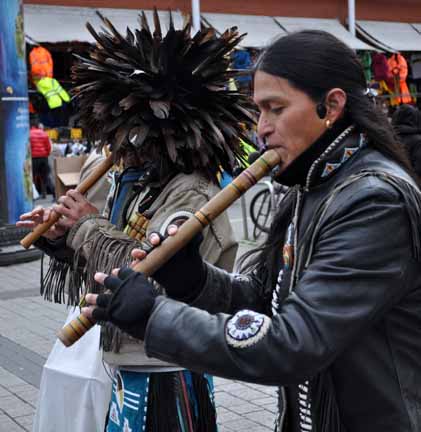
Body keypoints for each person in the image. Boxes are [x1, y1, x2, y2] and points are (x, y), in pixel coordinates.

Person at [82, 30, 421, 432]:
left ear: (330, 106)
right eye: (258, 111)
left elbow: (292, 343)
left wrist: (154, 317)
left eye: (275, 109)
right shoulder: (310, 188)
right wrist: (194, 280)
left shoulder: (373, 202)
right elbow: (268, 302)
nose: (261, 129)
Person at [19, 11, 256, 432]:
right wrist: (61, 236)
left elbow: (152, 269)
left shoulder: (192, 191)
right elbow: (105, 264)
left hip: (167, 366)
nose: (118, 146)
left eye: (128, 133)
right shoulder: (139, 183)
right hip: (129, 357)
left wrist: (85, 224)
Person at [392, 104, 421, 178]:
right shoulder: (418, 141)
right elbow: (419, 169)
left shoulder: (389, 137)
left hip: (393, 180)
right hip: (412, 184)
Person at [30, 117, 54, 198]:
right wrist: (46, 154)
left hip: (33, 158)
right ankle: (45, 193)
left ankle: (34, 194)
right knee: (45, 176)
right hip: (43, 157)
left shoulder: (29, 134)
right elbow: (48, 147)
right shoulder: (44, 133)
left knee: (32, 177)